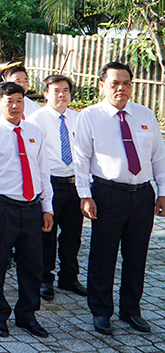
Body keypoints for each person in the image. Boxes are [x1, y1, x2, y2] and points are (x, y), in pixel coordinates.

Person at [74, 62, 165, 335]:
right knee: (103, 255)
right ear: (102, 85)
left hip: (142, 194)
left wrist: (162, 191)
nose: (121, 88)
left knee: (136, 255)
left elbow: (158, 156)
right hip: (107, 193)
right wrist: (85, 195)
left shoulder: (145, 114)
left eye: (126, 83)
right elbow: (81, 160)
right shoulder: (90, 116)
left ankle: (131, 310)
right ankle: (101, 311)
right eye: (115, 83)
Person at [0, 81, 53, 339]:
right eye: (9, 101)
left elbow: (43, 171)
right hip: (2, 207)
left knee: (32, 265)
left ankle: (27, 314)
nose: (15, 106)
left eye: (19, 100)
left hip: (31, 207)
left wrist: (47, 207)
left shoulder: (34, 131)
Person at [26, 74, 87, 301]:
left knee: (73, 234)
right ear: (45, 94)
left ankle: (69, 276)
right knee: (47, 233)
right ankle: (44, 278)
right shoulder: (36, 119)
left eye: (66, 90)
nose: (62, 95)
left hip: (74, 183)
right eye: (56, 91)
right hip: (50, 184)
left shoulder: (78, 118)